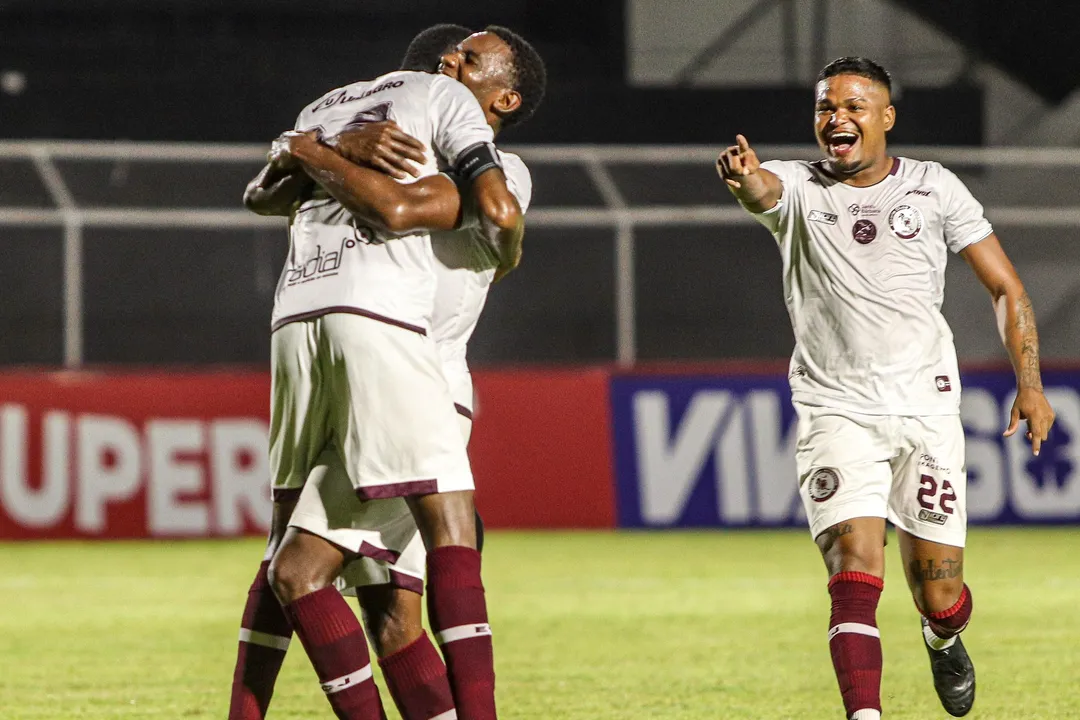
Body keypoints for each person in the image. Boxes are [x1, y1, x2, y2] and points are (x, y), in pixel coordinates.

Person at [717, 56, 1055, 720]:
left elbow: (1005, 287)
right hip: (835, 409)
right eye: (824, 108)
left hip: (926, 410)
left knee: (941, 594)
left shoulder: (934, 188)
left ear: (885, 118)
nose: (835, 118)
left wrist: (1031, 382)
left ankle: (942, 637)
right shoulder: (796, 184)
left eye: (851, 106)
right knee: (853, 570)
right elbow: (762, 191)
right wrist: (743, 178)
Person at [227, 25, 544, 720]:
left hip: (419, 377)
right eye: (447, 55)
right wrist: (326, 145)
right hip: (365, 364)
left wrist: (312, 149)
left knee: (374, 598)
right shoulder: (406, 138)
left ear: (505, 97)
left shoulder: (503, 170)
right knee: (343, 593)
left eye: (472, 59)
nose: (450, 62)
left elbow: (401, 209)